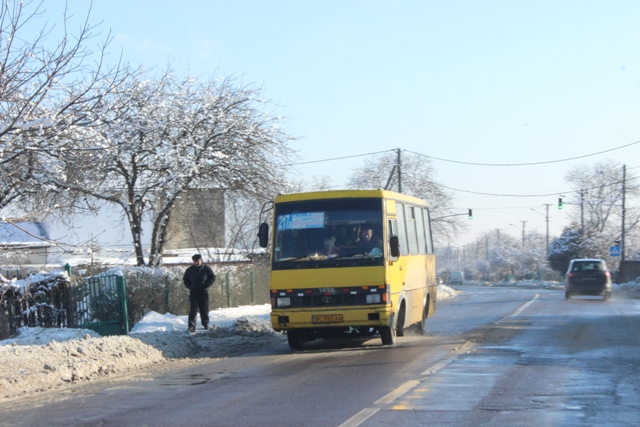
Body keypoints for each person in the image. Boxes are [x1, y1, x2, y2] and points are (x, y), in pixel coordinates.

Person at [183, 253, 216, 332]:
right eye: (195, 261)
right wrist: (189, 286)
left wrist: (207, 284)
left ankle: (205, 324)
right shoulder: (189, 270)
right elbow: (185, 279)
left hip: (203, 292)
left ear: (201, 260)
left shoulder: (206, 269)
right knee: (193, 310)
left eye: (197, 261)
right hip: (193, 292)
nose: (196, 263)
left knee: (204, 309)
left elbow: (212, 277)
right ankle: (191, 326)